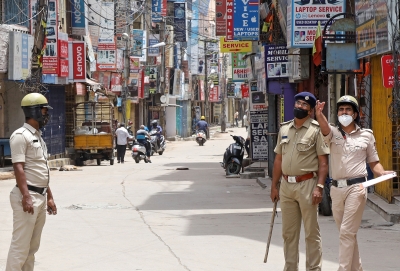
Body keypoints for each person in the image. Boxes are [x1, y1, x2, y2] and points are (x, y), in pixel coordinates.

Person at [315, 95, 393, 271]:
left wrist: (382, 172)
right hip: (336, 189)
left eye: (348, 110)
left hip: (357, 188)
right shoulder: (332, 133)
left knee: (346, 233)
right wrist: (319, 114)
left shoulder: (367, 135)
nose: (344, 113)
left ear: (355, 114)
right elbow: (325, 128)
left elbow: (374, 163)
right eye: (341, 110)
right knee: (347, 234)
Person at [270, 91, 329, 271]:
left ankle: (313, 269)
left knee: (311, 232)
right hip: (286, 186)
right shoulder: (284, 129)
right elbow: (278, 159)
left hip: (307, 185)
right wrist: (274, 186)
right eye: (297, 104)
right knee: (288, 233)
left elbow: (323, 163)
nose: (299, 107)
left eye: (304, 105)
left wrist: (319, 187)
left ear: (310, 111)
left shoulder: (316, 130)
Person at [6, 93, 57, 271]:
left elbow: (40, 171)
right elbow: (19, 168)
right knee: (20, 247)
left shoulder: (39, 137)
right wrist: (26, 196)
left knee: (32, 248)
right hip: (27, 197)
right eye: (44, 110)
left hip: (40, 196)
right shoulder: (20, 136)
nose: (46, 115)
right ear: (34, 111)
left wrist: (49, 196)